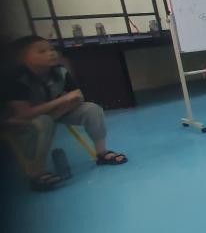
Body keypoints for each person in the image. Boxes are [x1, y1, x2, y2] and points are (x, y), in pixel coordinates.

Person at [7, 36, 128, 167]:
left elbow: (77, 97)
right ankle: (36, 170)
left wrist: (56, 112)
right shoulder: (17, 79)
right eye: (41, 51)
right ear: (22, 58)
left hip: (58, 112)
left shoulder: (60, 70)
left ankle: (101, 153)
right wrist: (63, 100)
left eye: (51, 49)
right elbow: (24, 114)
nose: (51, 53)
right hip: (28, 121)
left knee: (92, 109)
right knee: (43, 122)